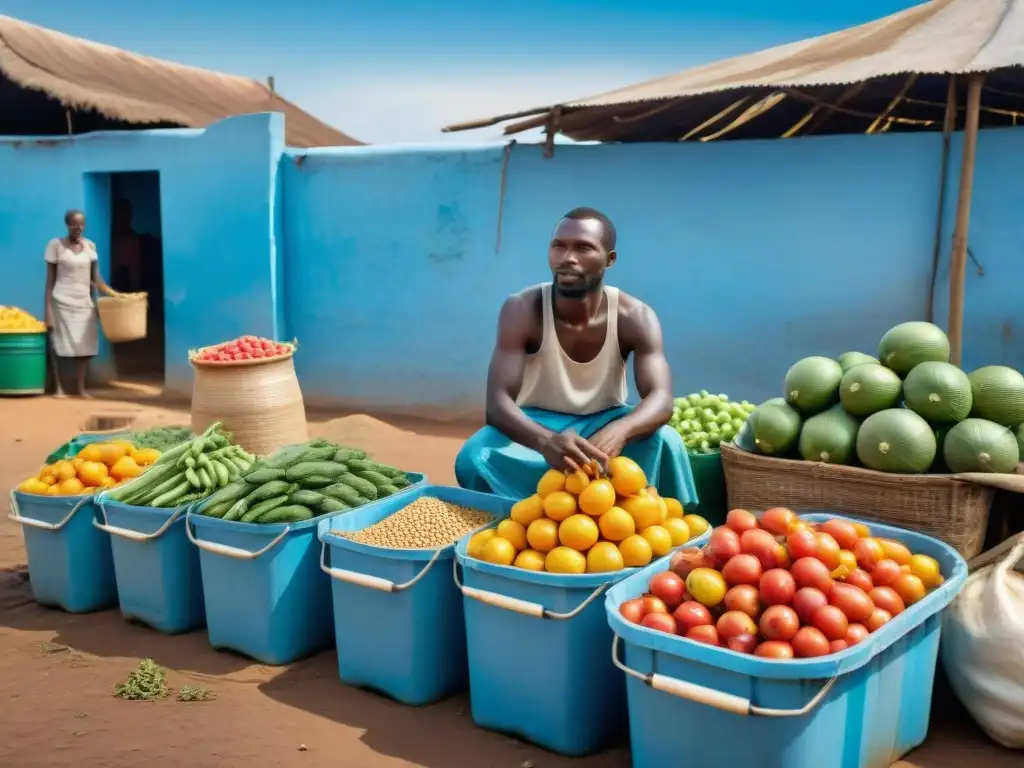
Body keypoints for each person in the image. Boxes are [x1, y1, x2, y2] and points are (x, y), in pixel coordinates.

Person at [454, 207, 696, 503]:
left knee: (667, 441)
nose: (568, 257)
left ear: (610, 260)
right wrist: (546, 441)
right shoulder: (522, 309)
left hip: (605, 419)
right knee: (475, 456)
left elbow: (661, 399)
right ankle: (513, 524)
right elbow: (498, 404)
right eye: (559, 246)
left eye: (583, 248)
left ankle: (654, 521)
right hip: (537, 422)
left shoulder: (635, 316)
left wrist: (622, 430)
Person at [44, 209, 118, 398]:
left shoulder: (90, 247)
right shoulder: (56, 246)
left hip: (84, 303)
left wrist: (116, 295)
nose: (78, 228)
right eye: (73, 224)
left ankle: (81, 388)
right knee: (58, 345)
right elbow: (50, 281)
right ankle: (59, 388)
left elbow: (97, 279)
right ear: (67, 225)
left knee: (85, 346)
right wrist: (48, 310)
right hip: (61, 301)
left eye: (81, 224)